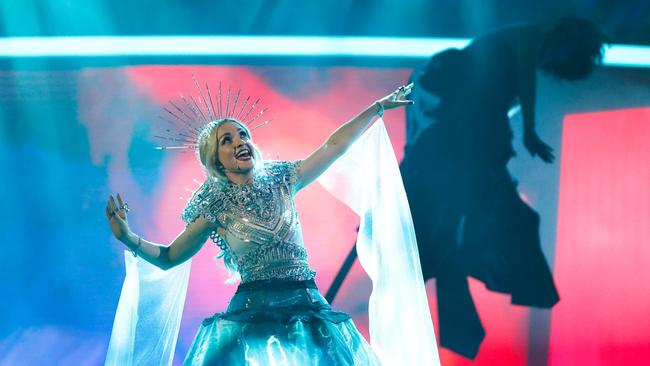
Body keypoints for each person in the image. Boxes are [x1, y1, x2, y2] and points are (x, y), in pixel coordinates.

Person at [105, 84, 422, 365]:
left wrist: (376, 107)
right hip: (251, 314)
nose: (240, 141)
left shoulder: (283, 179)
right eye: (227, 140)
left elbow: (333, 146)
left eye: (243, 134)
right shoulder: (214, 206)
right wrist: (130, 238)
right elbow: (170, 257)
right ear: (217, 159)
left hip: (308, 307)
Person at [401, 17, 607, 358]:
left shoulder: (509, 71)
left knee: (487, 206)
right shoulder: (529, 35)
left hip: (465, 116)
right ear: (567, 39)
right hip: (449, 96)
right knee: (461, 196)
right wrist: (528, 131)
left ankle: (452, 250)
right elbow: (523, 78)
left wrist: (510, 133)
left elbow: (501, 101)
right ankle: (441, 246)